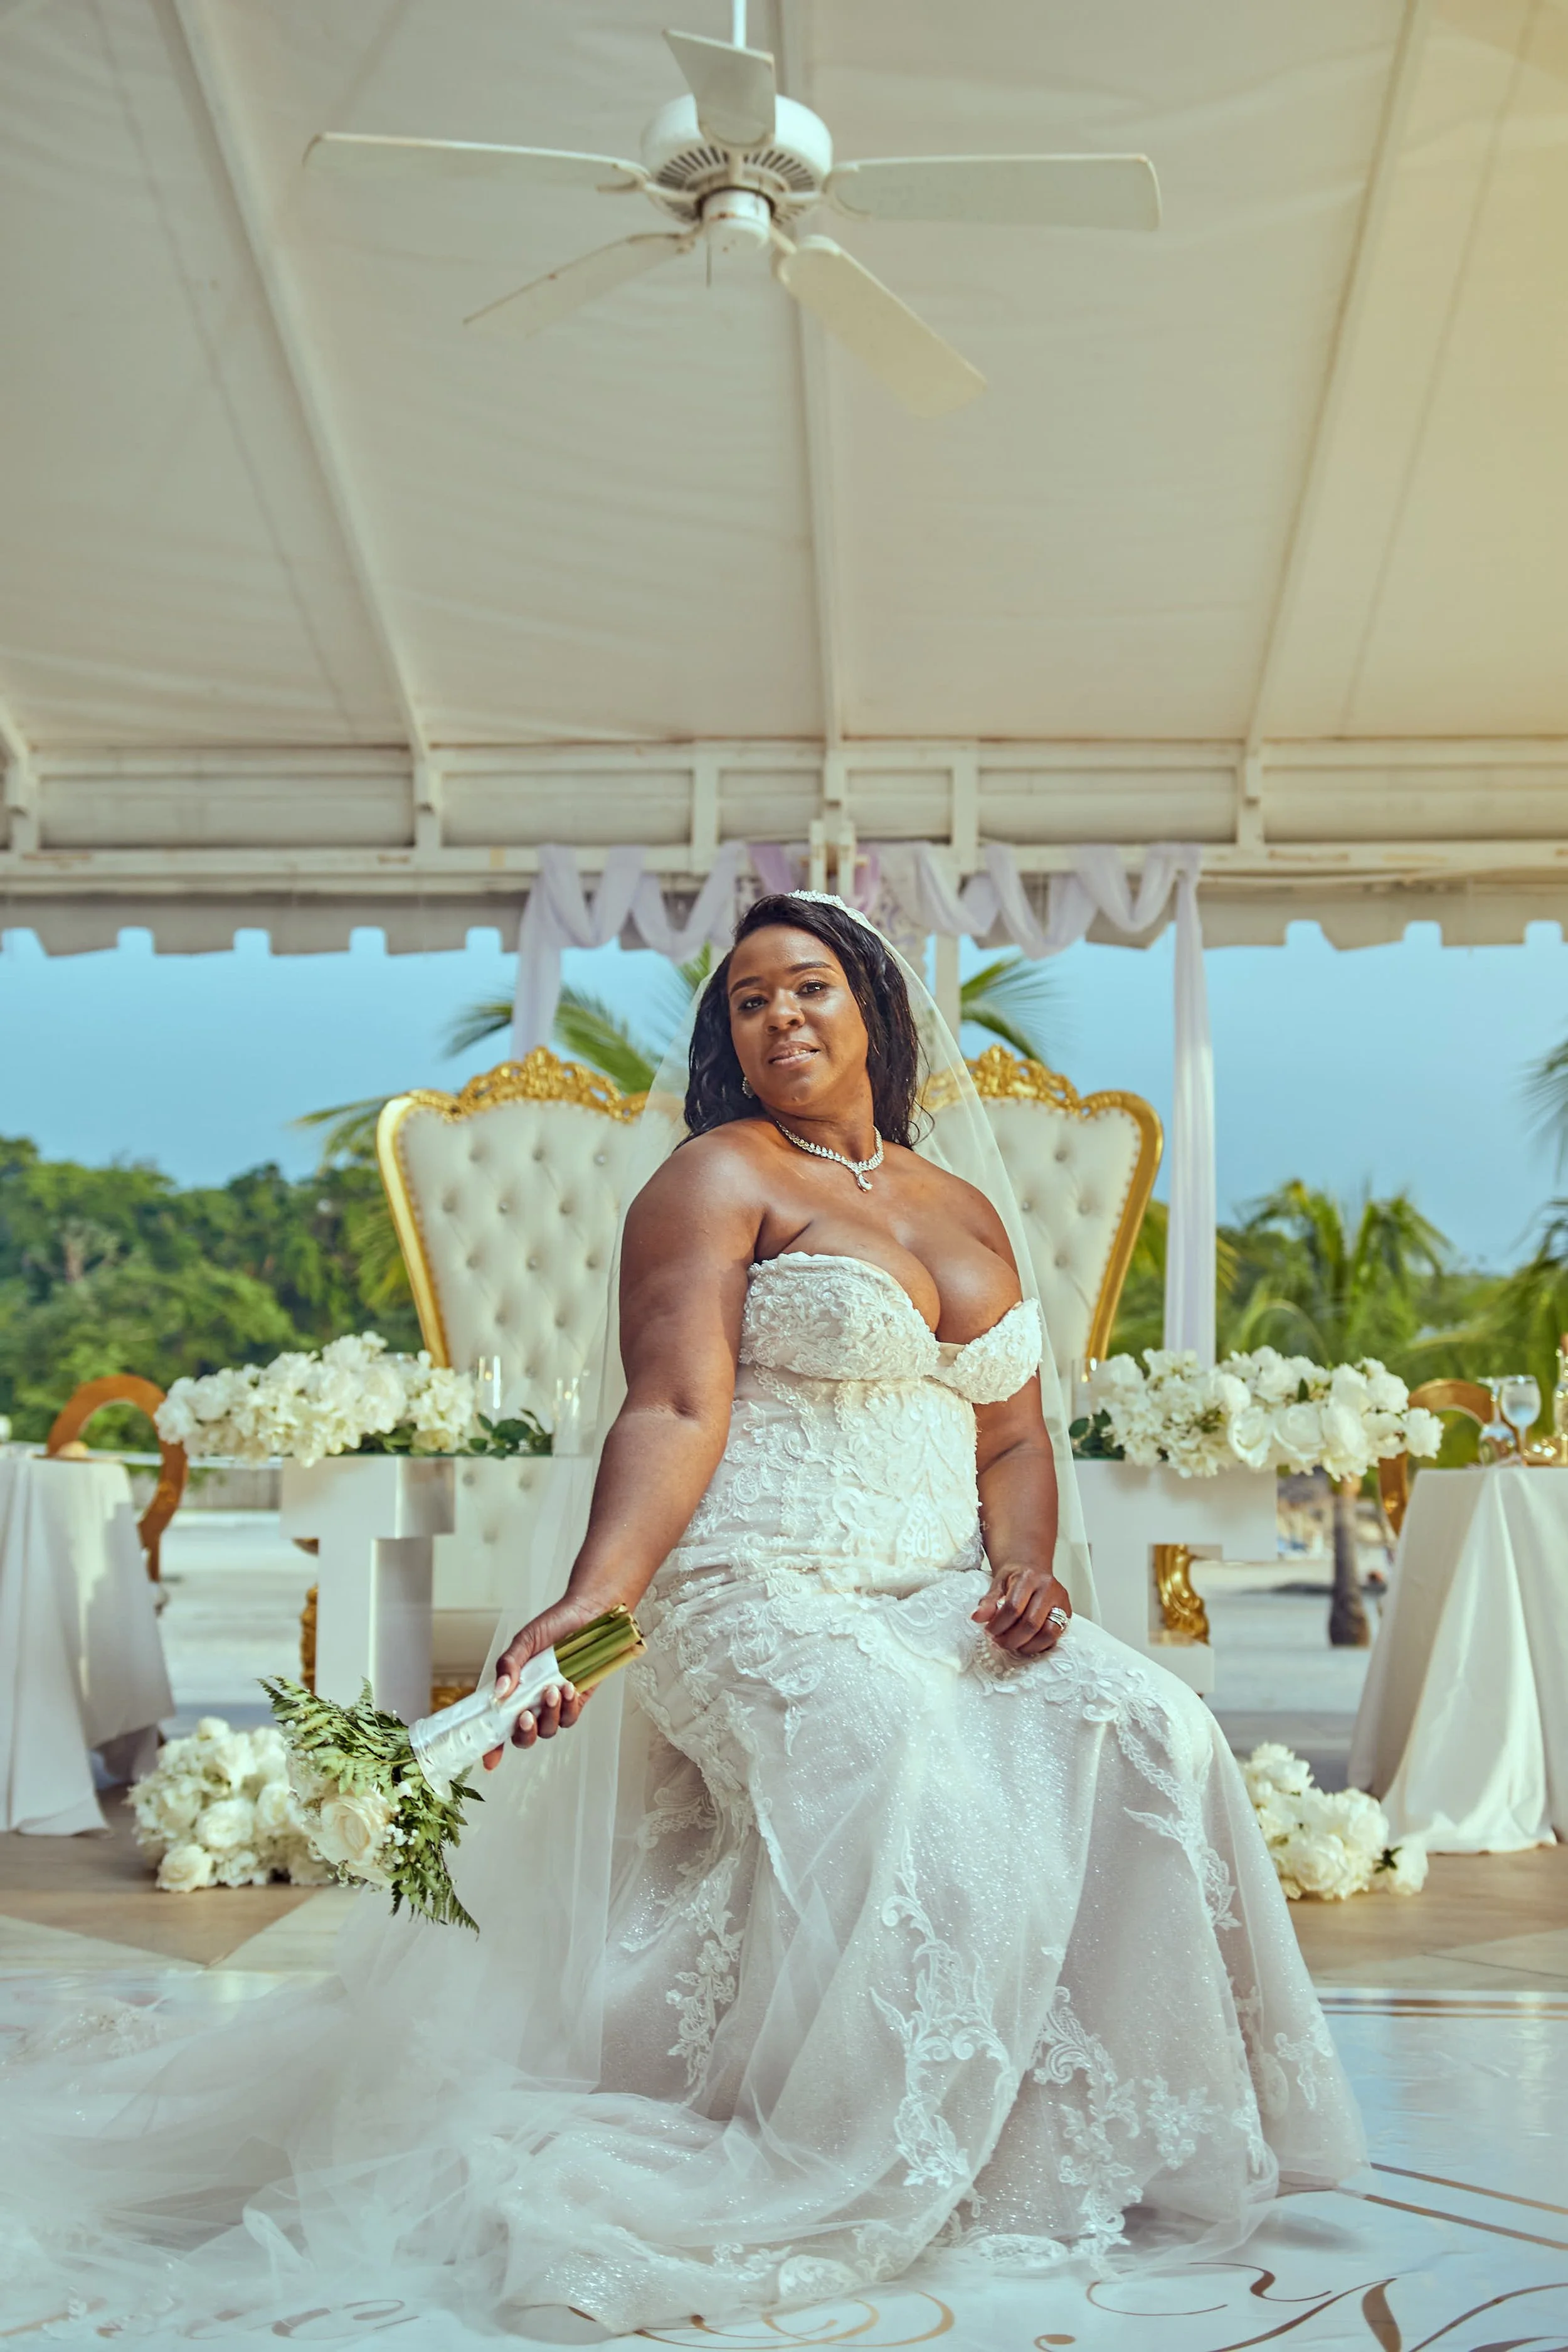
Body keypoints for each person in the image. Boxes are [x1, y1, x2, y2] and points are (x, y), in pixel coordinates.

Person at [0, 893, 1362, 2345]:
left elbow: (1013, 1442)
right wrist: (598, 1601)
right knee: (899, 1754)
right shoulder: (713, 1178)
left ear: (873, 1013)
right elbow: (673, 1401)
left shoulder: (963, 1207)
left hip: (940, 1591)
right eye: (749, 1002)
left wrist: (1025, 1569)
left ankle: (1081, 2138)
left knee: (1154, 1724)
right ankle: (853, 2153)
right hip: (750, 1585)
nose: (781, 1018)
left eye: (810, 989)